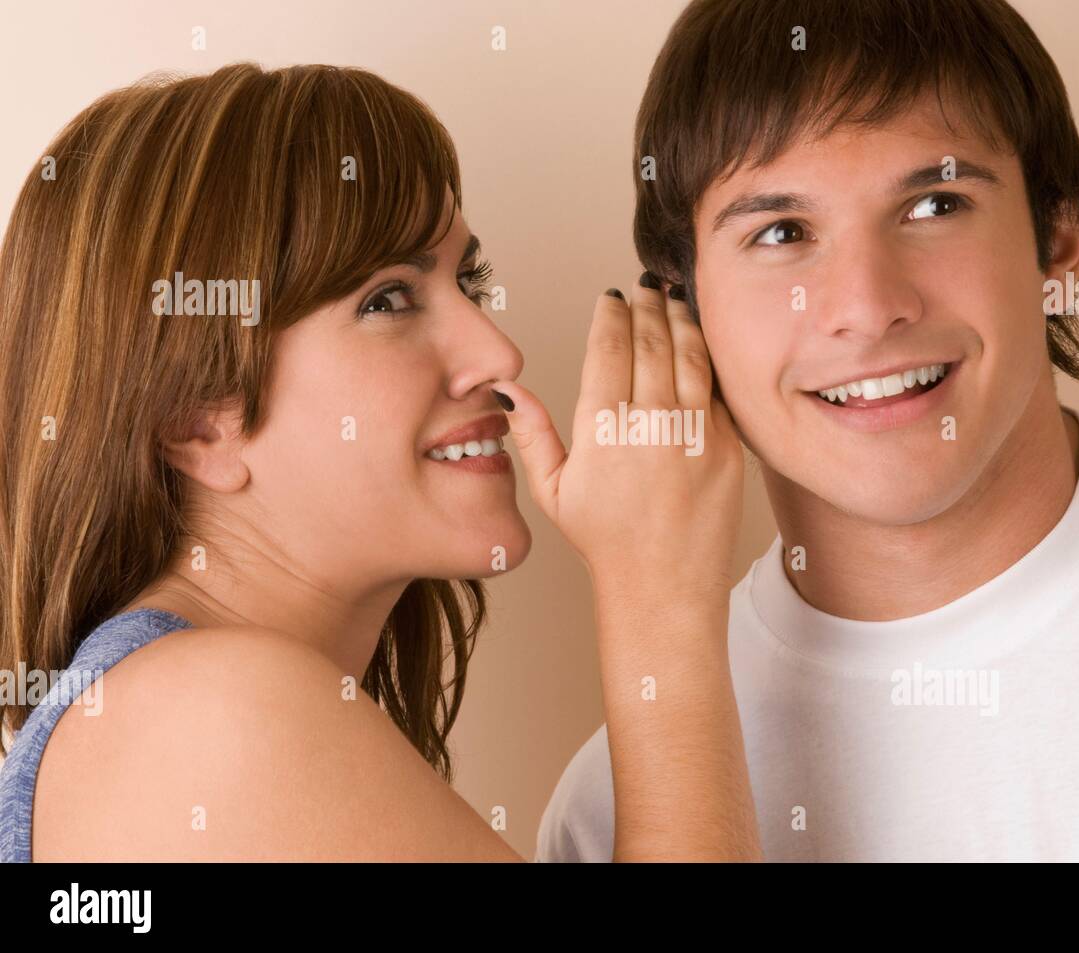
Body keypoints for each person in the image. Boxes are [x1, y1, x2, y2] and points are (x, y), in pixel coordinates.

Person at [537, 0, 1079, 862]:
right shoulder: (625, 810)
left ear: (1058, 236)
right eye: (781, 232)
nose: (866, 307)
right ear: (682, 302)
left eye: (935, 205)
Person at [0, 63, 759, 862]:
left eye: (469, 281)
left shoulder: (162, 713)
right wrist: (661, 594)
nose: (497, 350)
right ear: (199, 420)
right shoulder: (202, 715)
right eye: (387, 299)